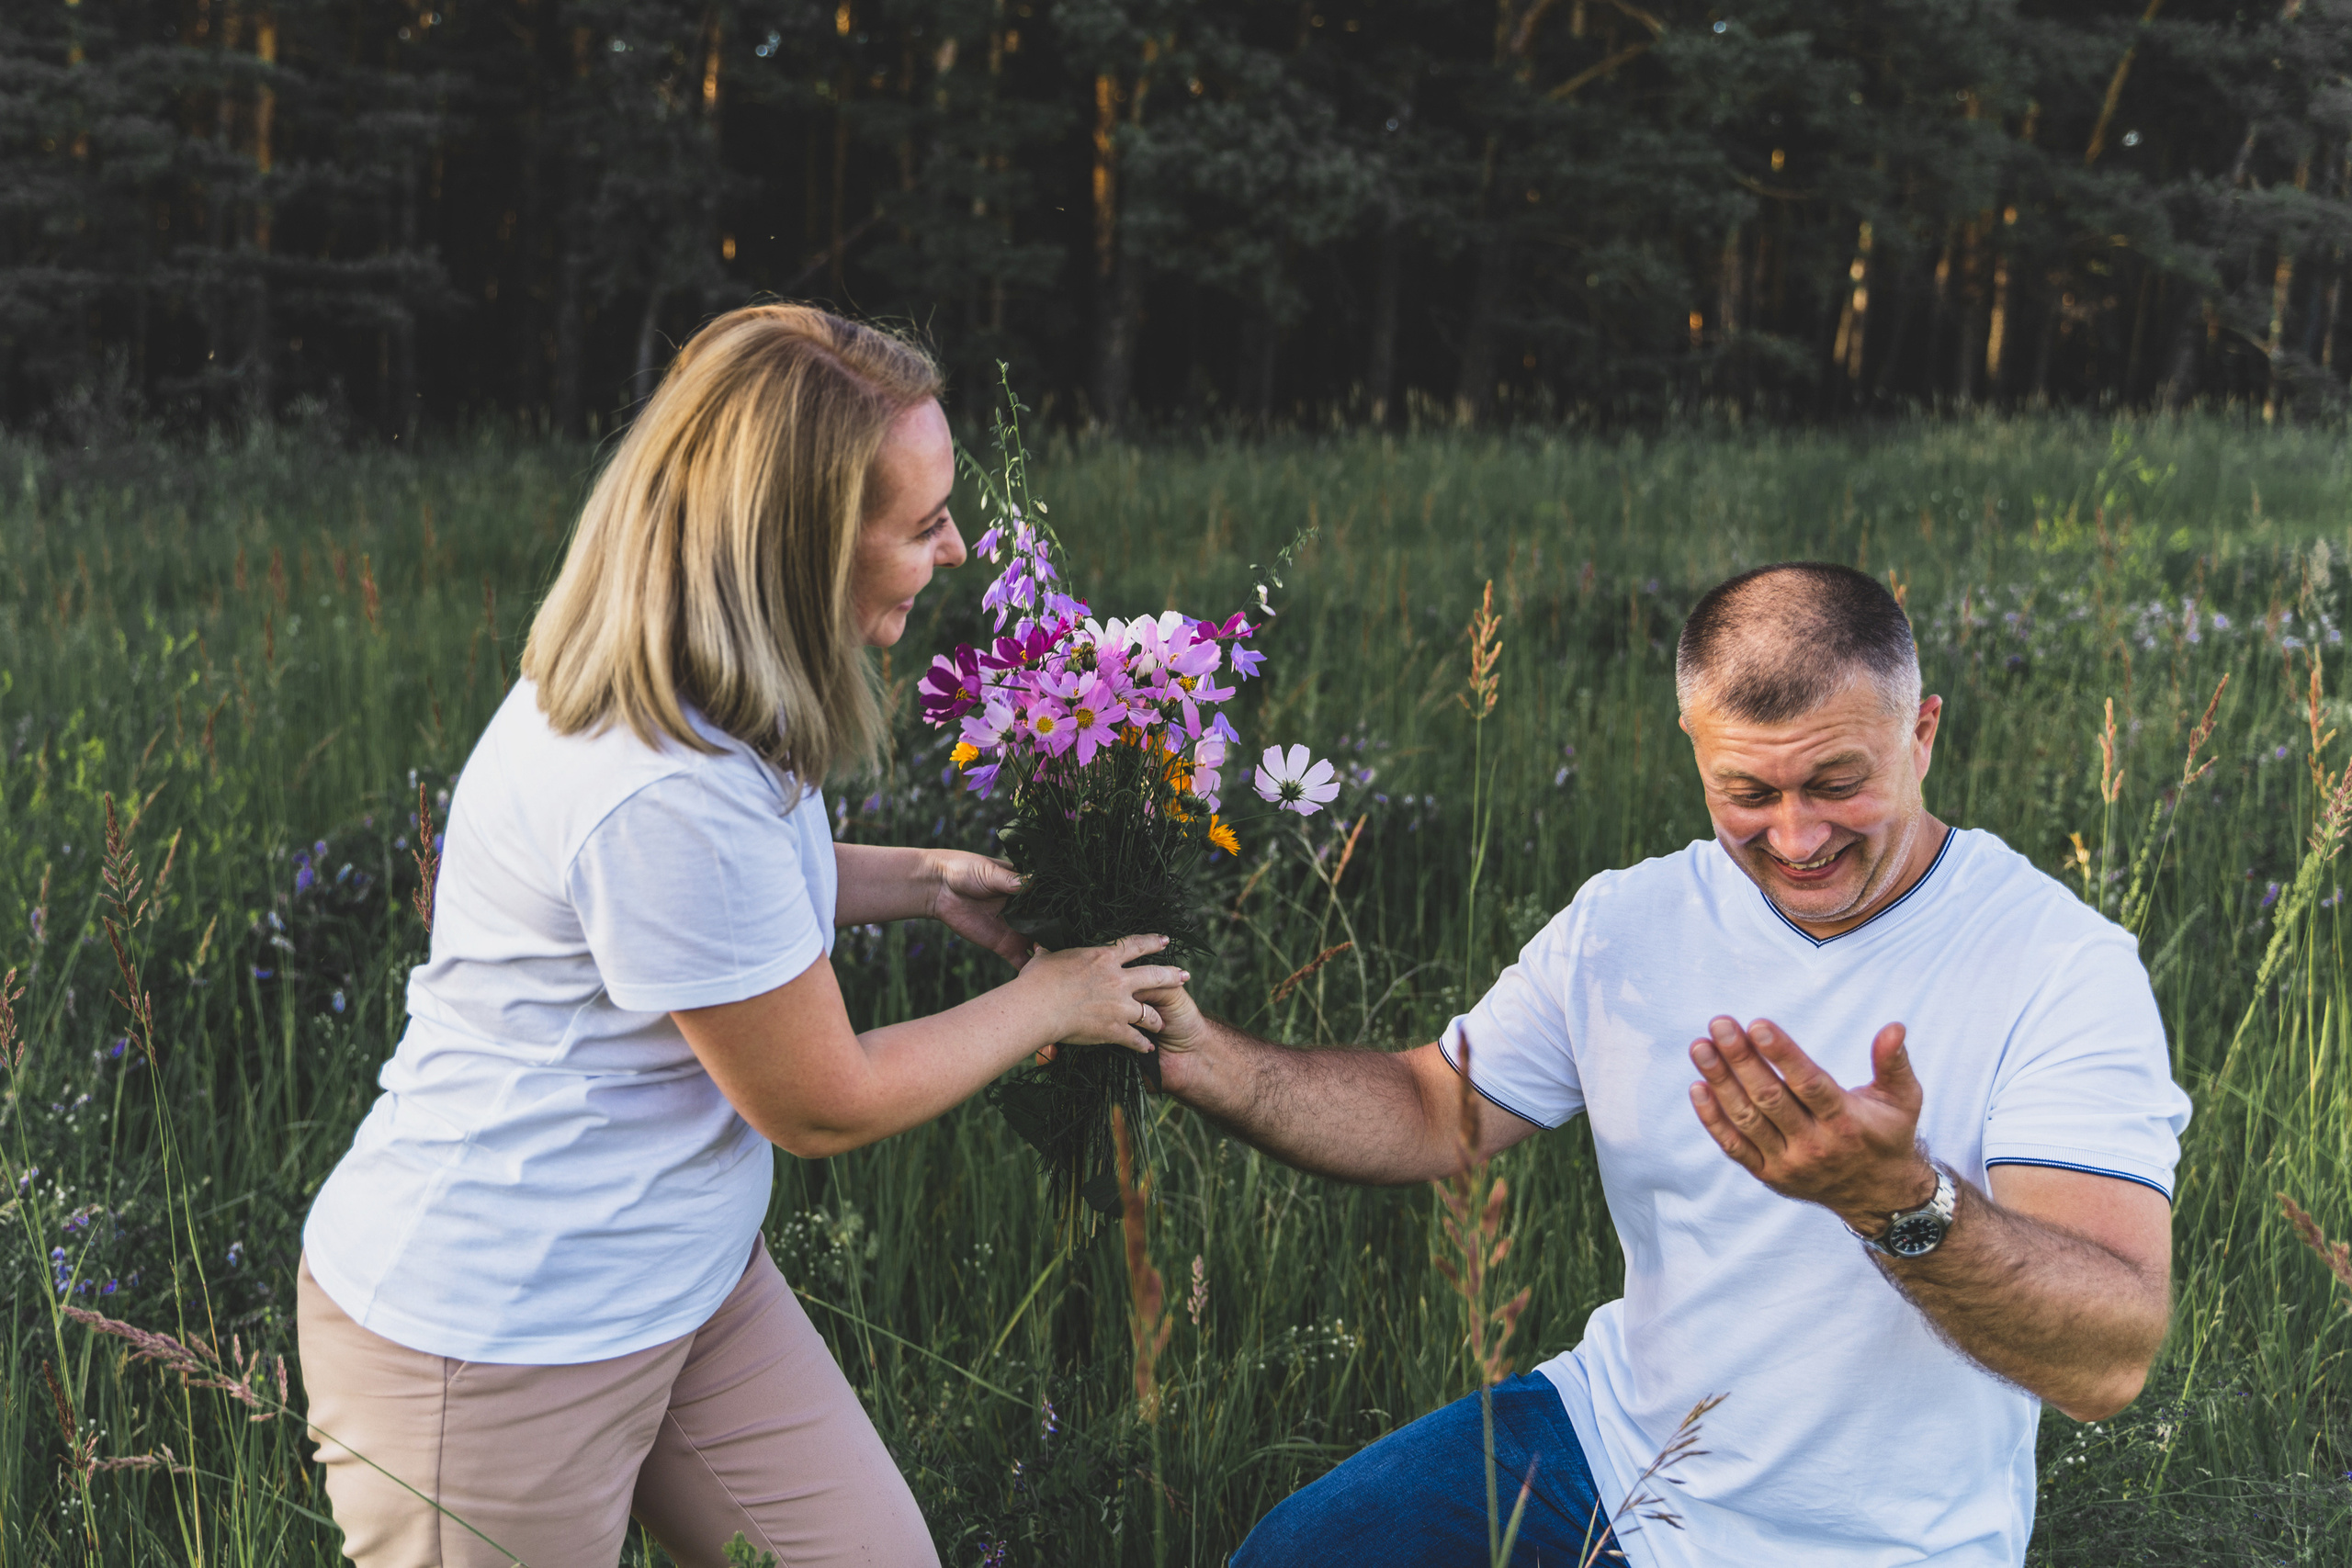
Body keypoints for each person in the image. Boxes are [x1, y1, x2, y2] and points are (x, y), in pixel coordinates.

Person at [296, 305, 1186, 1568]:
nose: (960, 547)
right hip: (499, 1339)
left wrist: (927, 879)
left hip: (685, 1284)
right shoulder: (658, 776)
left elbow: (732, 902)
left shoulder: (716, 682)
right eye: (925, 522)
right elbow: (821, 1100)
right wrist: (1053, 999)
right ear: (805, 540)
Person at [1146, 561, 2191, 1566]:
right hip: (1600, 1447)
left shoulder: (2059, 965)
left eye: (1836, 783)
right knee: (1299, 1552)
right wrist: (1209, 1061)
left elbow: (2108, 1359)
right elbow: (1430, 1103)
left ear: (1920, 735)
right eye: (1746, 791)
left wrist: (1897, 1203)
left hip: (1877, 1541)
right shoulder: (1628, 920)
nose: (1796, 836)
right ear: (1693, 749)